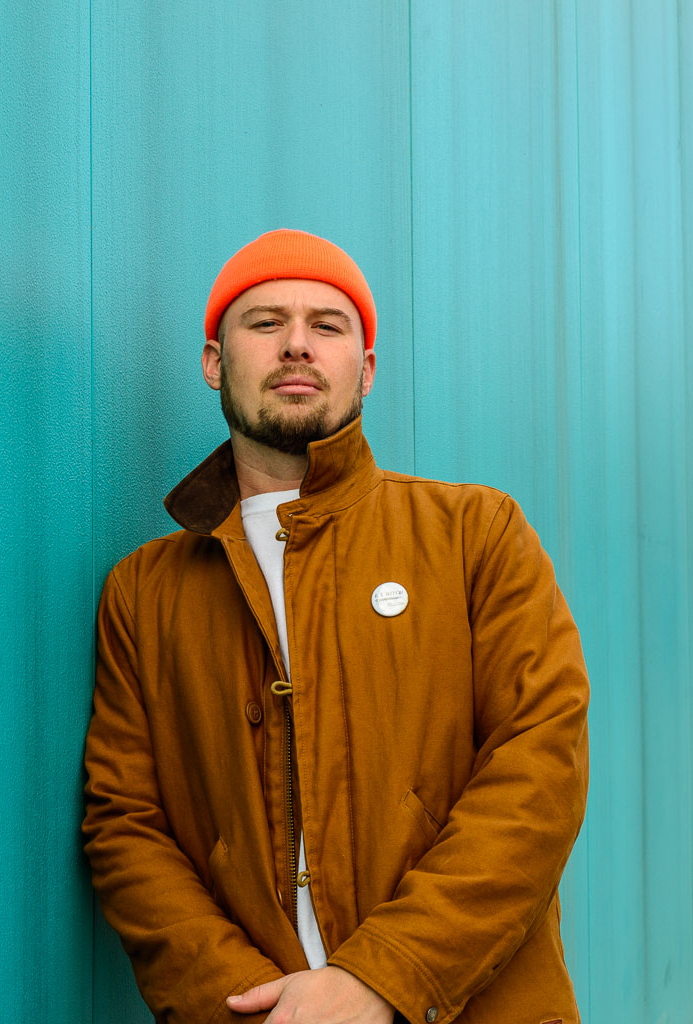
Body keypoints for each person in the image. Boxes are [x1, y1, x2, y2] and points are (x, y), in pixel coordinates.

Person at [83, 229, 589, 1024]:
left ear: (367, 367)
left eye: (326, 325)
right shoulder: (144, 592)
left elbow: (539, 770)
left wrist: (383, 976)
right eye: (264, 323)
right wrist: (248, 1006)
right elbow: (125, 825)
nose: (296, 344)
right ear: (214, 361)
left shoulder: (475, 533)